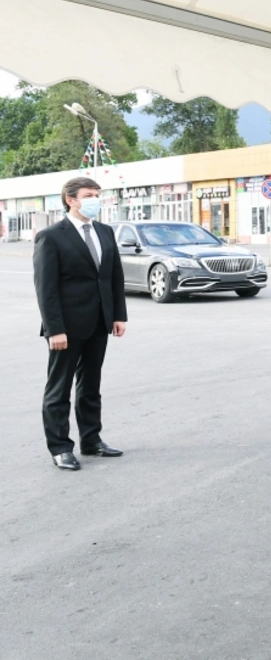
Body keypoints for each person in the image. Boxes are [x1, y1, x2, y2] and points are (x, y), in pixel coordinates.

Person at [32, 176, 127, 470]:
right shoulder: (51, 236)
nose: (95, 199)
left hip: (99, 322)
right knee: (59, 389)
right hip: (66, 326)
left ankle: (91, 440)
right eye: (88, 195)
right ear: (71, 200)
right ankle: (60, 448)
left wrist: (118, 315)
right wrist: (54, 329)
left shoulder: (104, 232)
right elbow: (46, 288)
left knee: (90, 385)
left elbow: (114, 276)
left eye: (97, 194)